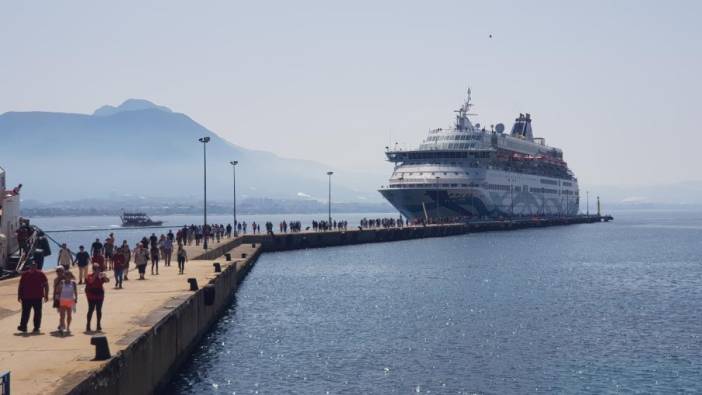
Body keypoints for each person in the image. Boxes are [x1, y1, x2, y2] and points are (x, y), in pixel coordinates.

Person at [17, 262, 49, 333]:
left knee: (37, 313)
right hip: (26, 297)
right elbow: (20, 285)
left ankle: (36, 327)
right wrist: (19, 295)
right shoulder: (25, 274)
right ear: (29, 266)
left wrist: (46, 295)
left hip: (37, 297)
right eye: (32, 266)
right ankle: (23, 326)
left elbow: (46, 285)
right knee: (25, 313)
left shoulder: (41, 274)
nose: (33, 267)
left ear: (36, 266)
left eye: (34, 266)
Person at [85, 264, 109, 332]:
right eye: (96, 269)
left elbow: (107, 281)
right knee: (91, 309)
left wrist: (104, 277)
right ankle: (88, 324)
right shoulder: (89, 276)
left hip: (99, 294)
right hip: (91, 295)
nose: (98, 270)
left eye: (98, 269)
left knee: (99, 310)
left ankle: (98, 324)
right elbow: (90, 281)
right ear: (94, 269)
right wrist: (96, 274)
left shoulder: (101, 276)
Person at [57, 271, 77, 335]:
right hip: (62, 300)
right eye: (66, 275)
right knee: (62, 316)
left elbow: (75, 292)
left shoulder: (73, 283)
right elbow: (58, 291)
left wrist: (76, 299)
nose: (67, 276)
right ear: (64, 276)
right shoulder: (62, 282)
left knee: (69, 316)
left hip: (70, 300)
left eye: (68, 275)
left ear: (70, 276)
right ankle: (62, 328)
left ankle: (68, 327)